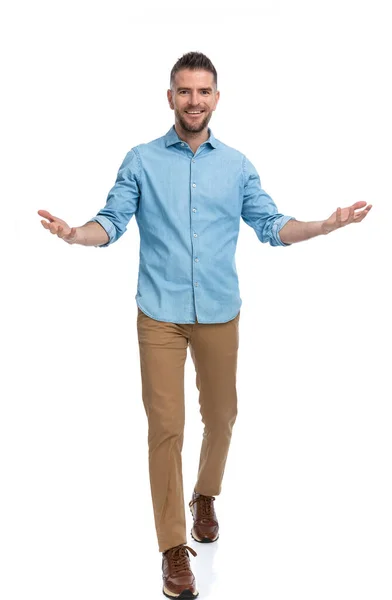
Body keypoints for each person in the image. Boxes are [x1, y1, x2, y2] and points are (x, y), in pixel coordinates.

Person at [38, 51, 372, 599]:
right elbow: (112, 220)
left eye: (204, 91)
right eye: (184, 91)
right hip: (160, 314)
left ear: (217, 97)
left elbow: (271, 223)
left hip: (220, 309)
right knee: (165, 427)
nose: (194, 100)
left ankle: (206, 496)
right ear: (170, 97)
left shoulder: (237, 165)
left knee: (222, 416)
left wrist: (325, 226)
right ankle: (173, 548)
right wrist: (75, 233)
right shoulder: (141, 160)